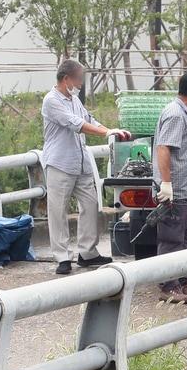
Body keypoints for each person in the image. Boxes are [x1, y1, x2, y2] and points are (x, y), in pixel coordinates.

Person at [41, 59, 130, 275]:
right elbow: (75, 124)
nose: (81, 83)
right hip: (60, 163)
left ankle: (87, 253)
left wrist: (111, 130)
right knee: (58, 212)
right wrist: (104, 133)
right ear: (66, 79)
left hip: (81, 163)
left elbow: (88, 118)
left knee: (91, 205)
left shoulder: (73, 99)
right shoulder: (52, 101)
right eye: (79, 79)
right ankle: (62, 257)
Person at [152, 70, 187, 303]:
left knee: (186, 238)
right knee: (172, 239)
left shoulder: (185, 114)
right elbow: (164, 148)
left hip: (186, 190)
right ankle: (168, 286)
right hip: (175, 191)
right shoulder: (176, 114)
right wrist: (166, 184)